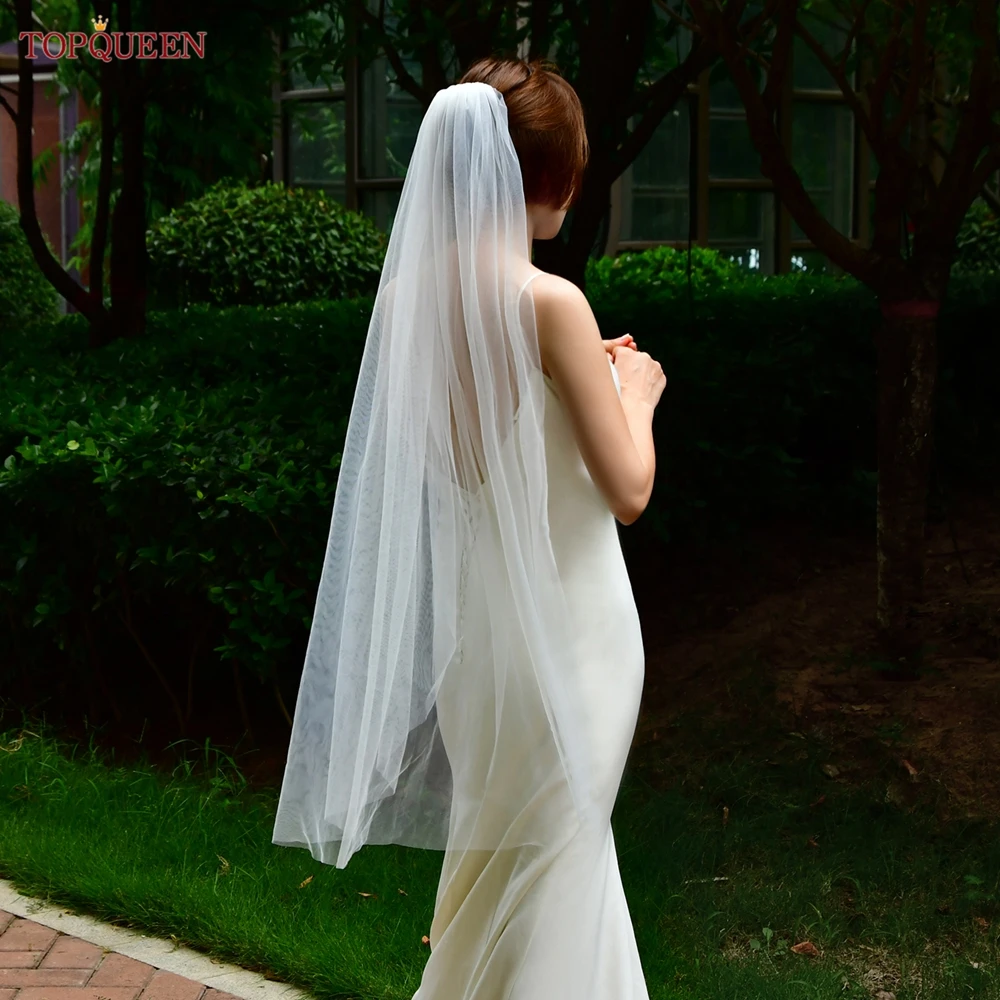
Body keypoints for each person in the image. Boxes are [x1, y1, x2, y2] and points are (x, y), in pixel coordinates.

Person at [272, 55, 666, 1000]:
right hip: (574, 639)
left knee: (510, 874)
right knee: (563, 868)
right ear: (551, 176)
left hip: (481, 650)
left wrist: (580, 378)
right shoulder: (550, 301)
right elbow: (628, 490)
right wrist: (636, 391)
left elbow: (480, 453)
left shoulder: (409, 302)